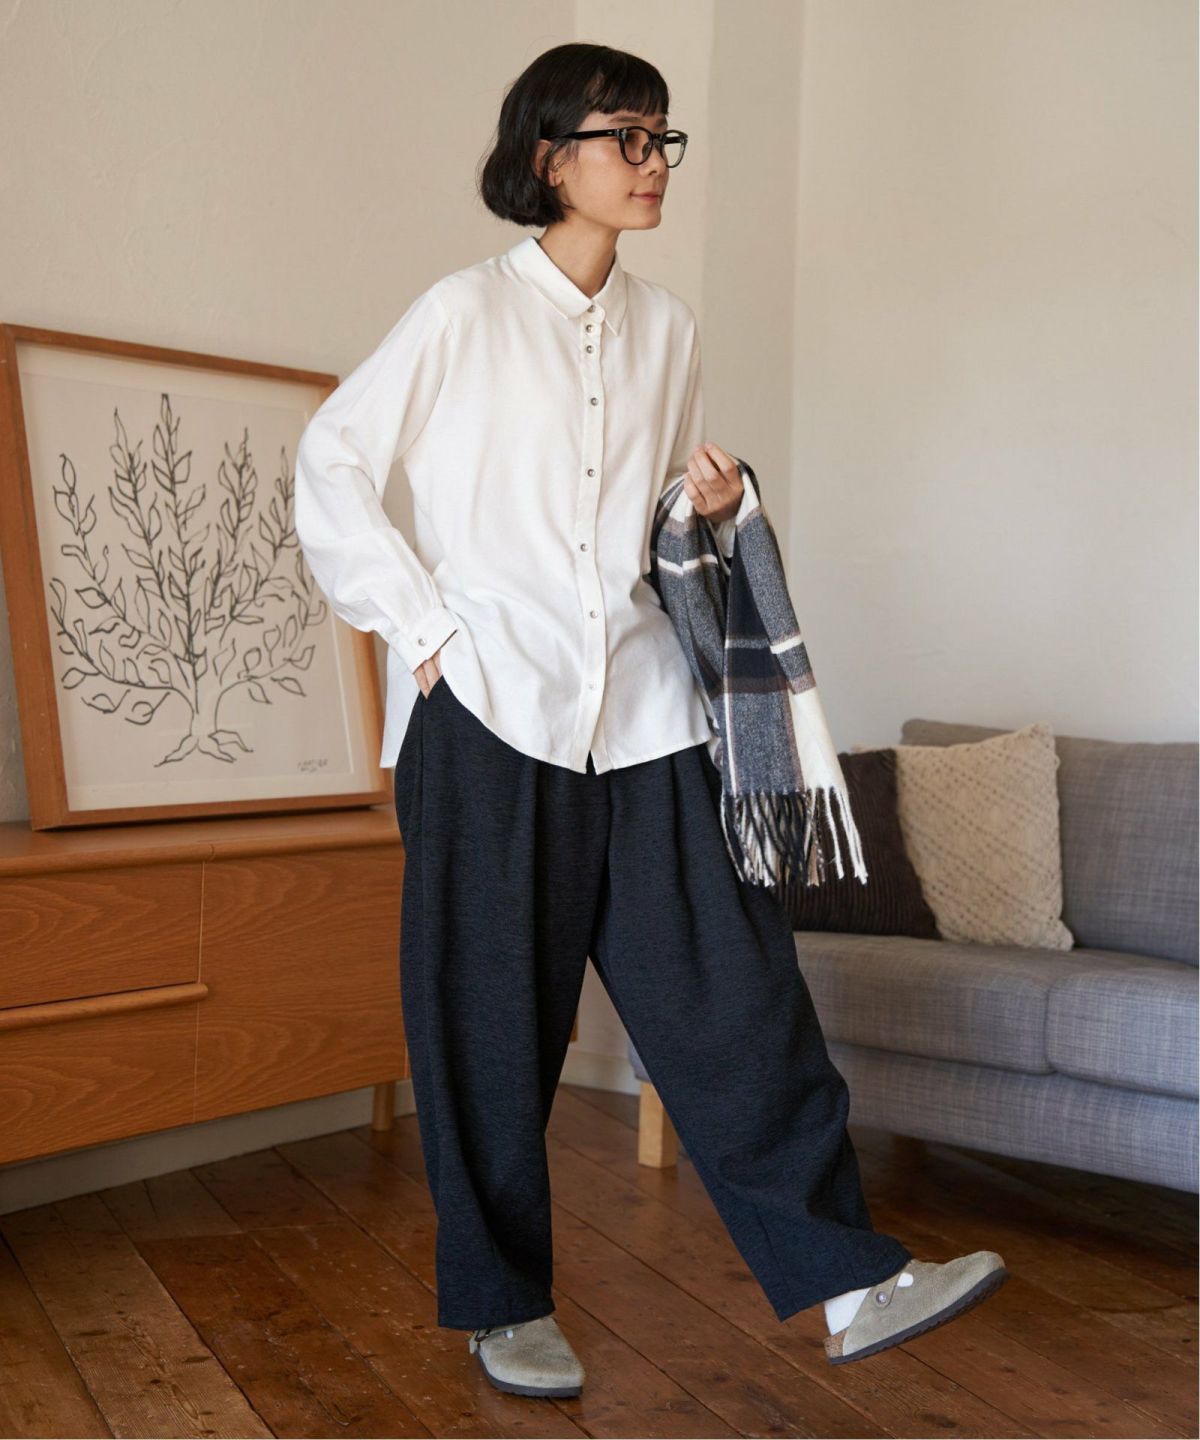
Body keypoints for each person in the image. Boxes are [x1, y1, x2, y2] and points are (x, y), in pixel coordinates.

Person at [294, 41, 1007, 1401]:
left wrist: (713, 510)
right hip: (490, 710)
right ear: (549, 155)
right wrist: (425, 631)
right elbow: (330, 462)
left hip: (644, 711)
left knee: (739, 995)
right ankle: (503, 1304)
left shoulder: (670, 329)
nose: (652, 161)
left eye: (662, 137)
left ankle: (850, 1279)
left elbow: (640, 533)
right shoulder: (460, 314)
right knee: (490, 1021)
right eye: (625, 136)